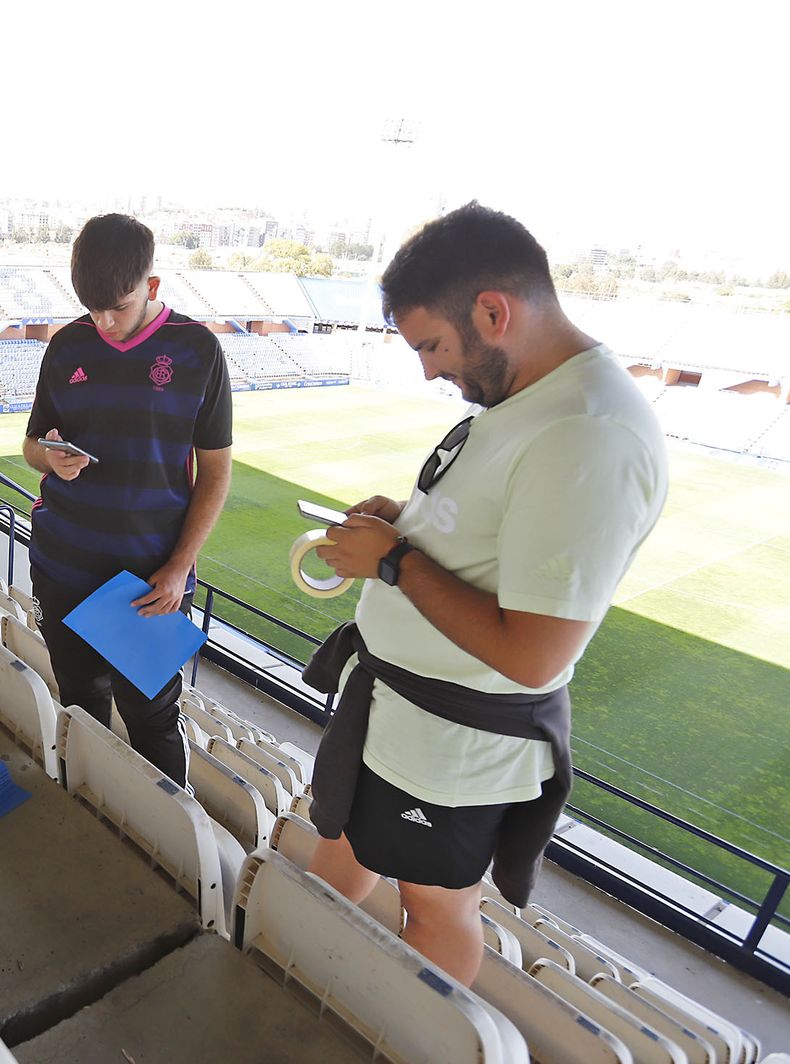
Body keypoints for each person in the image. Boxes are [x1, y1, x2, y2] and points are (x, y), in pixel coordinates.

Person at [305, 202, 668, 987]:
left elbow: (534, 654)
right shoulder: (522, 400)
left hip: (454, 747)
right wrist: (408, 522)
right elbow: (490, 534)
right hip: (394, 709)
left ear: (493, 312)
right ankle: (302, 970)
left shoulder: (588, 433)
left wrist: (398, 560)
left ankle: (416, 1039)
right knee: (340, 843)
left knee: (433, 908)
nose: (430, 369)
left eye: (432, 346)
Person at [22, 213, 233, 787]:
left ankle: (172, 853)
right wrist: (52, 457)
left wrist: (178, 567)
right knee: (80, 700)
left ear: (152, 287)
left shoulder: (197, 351)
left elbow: (215, 470)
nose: (104, 321)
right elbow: (33, 443)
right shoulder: (66, 346)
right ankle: (88, 808)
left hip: (149, 579)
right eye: (92, 308)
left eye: (117, 305)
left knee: (151, 715)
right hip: (64, 563)